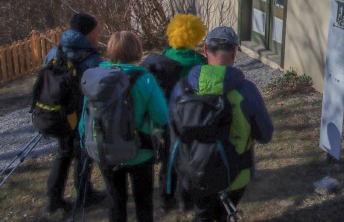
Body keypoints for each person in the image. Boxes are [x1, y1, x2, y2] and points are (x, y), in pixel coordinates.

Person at [169, 26, 273, 222]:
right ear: (234, 53)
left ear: (205, 50)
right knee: (224, 214)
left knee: (202, 213)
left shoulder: (182, 89)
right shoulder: (247, 90)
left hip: (194, 171)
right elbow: (265, 135)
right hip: (235, 175)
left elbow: (172, 130)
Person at [80, 31, 168, 222]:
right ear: (137, 50)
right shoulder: (145, 79)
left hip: (106, 149)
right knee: (143, 202)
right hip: (140, 150)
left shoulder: (96, 79)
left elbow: (84, 118)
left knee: (115, 201)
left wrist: (85, 144)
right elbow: (162, 116)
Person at [43, 12, 105, 214]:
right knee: (82, 153)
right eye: (96, 29)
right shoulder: (91, 57)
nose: (99, 33)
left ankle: (54, 199)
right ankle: (85, 193)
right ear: (88, 32)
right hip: (79, 113)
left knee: (63, 153)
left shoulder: (55, 51)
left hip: (57, 111)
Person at [159, 14, 207, 211]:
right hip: (189, 115)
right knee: (188, 158)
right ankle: (185, 200)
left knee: (167, 157)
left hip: (167, 114)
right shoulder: (199, 61)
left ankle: (164, 198)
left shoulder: (164, 56)